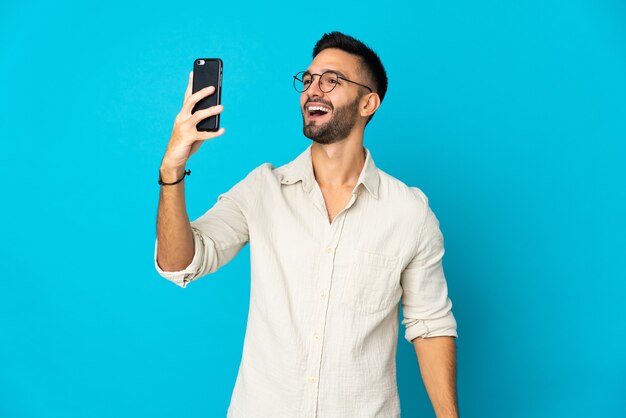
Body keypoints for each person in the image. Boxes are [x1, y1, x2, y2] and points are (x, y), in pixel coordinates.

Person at [155, 31, 459, 418]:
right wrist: (172, 168)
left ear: (368, 102)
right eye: (310, 79)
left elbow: (430, 326)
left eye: (332, 80)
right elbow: (181, 262)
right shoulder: (262, 189)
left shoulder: (409, 213)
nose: (314, 90)